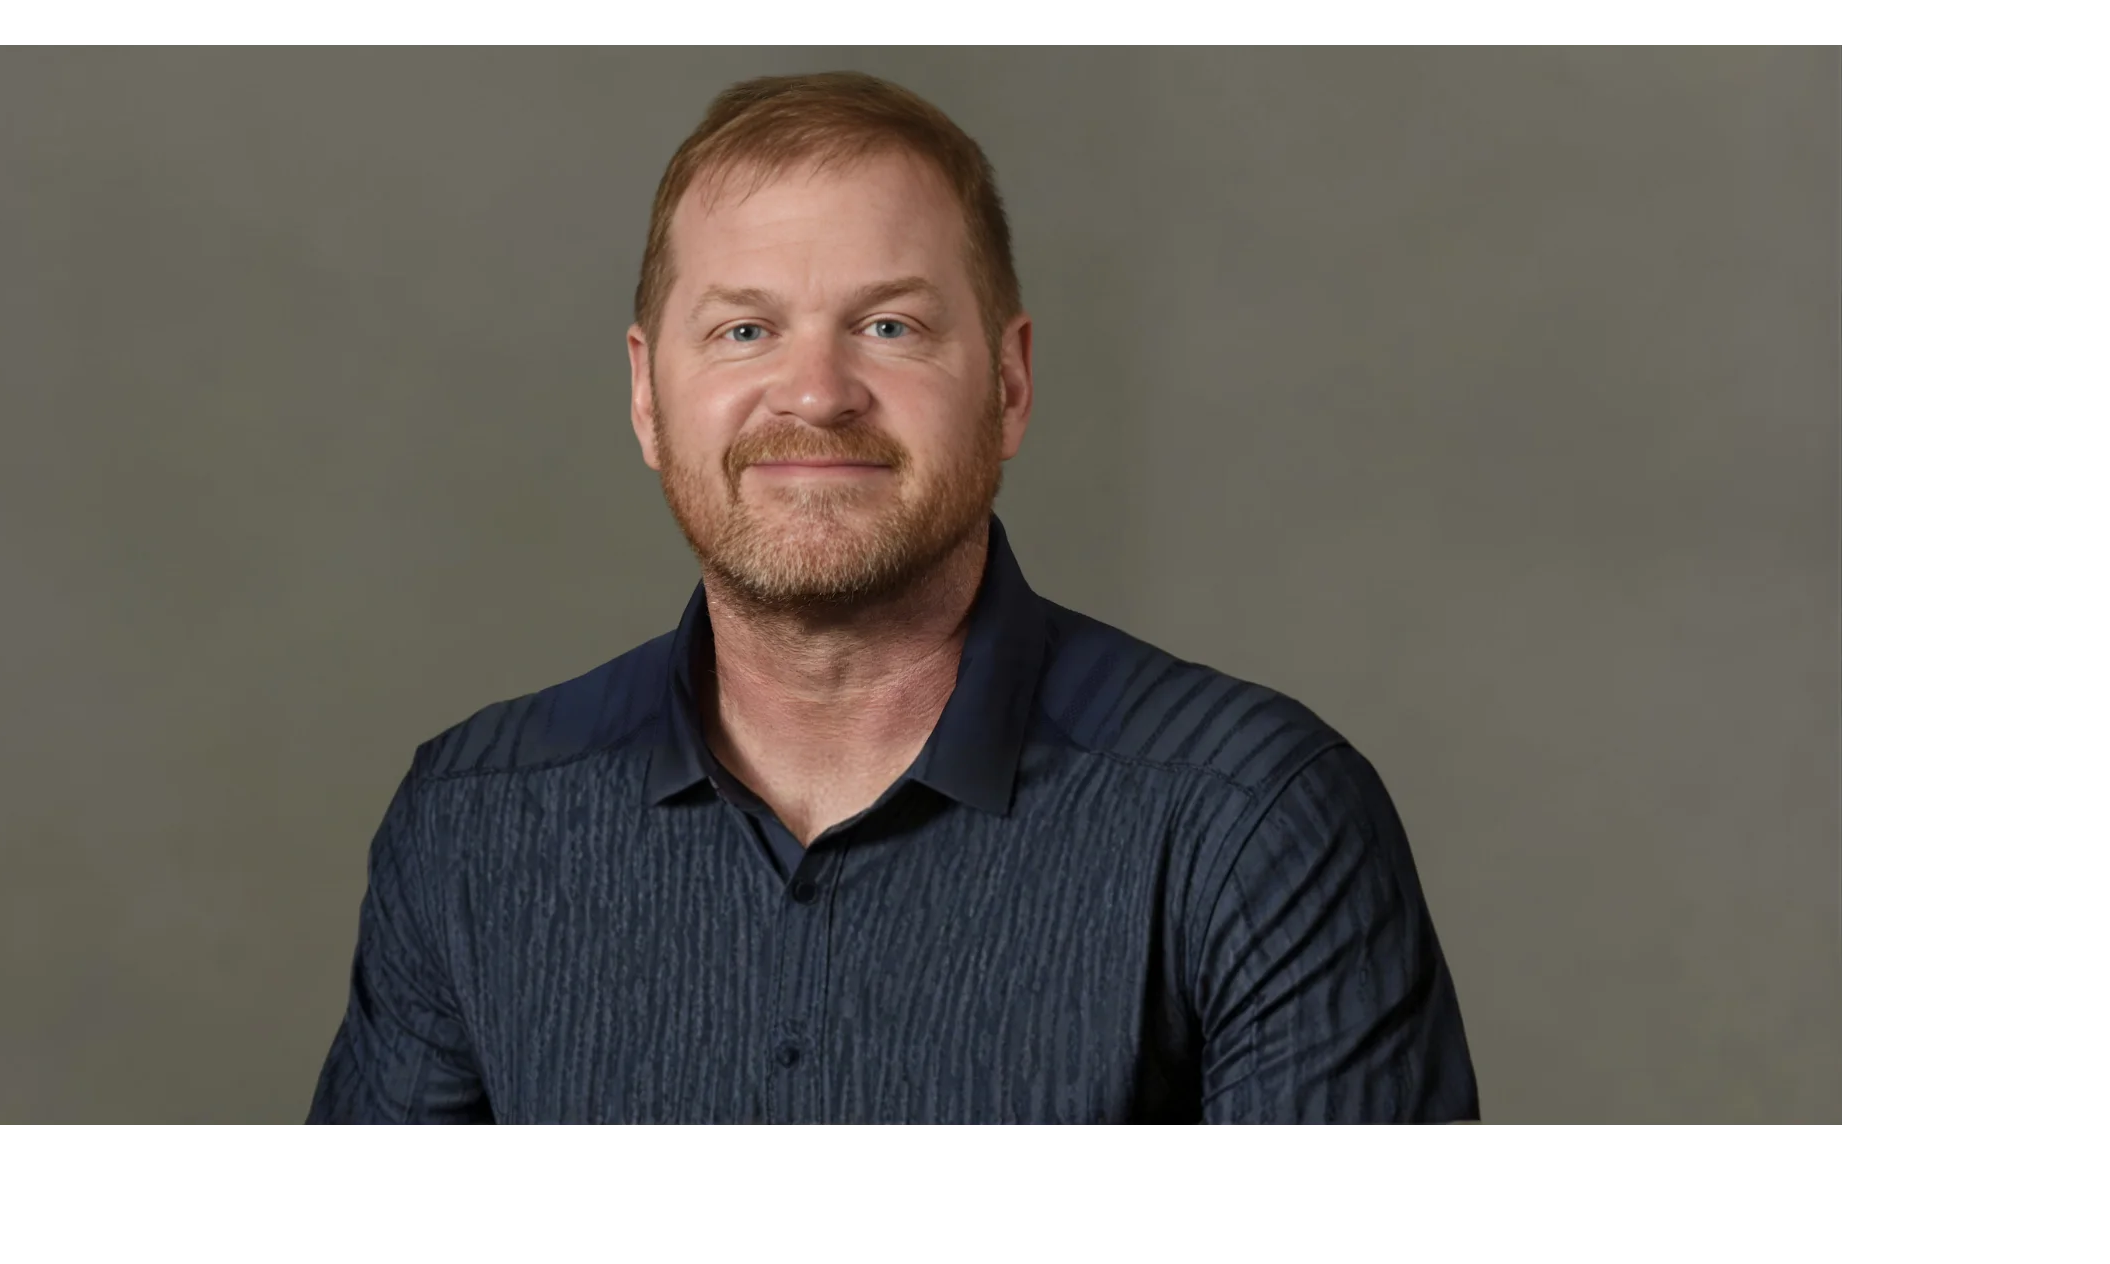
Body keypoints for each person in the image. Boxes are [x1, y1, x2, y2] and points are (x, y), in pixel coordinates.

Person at [306, 70, 1480, 1127]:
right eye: (744, 329)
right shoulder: (472, 822)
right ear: (647, 397)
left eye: (888, 326)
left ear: (1008, 385)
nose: (816, 393)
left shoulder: (1253, 819)